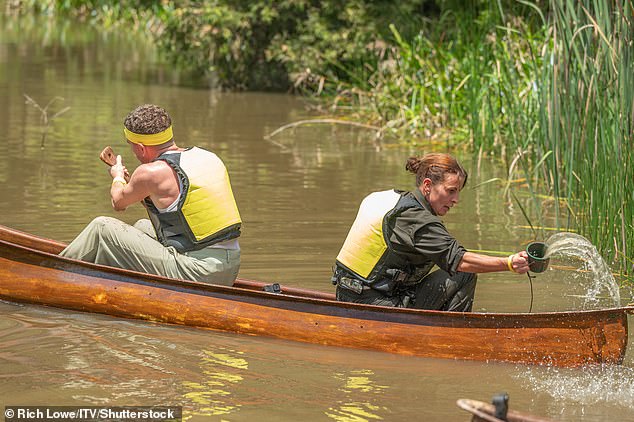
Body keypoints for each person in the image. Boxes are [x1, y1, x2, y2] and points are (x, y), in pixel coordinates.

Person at [60, 104, 242, 285]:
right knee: (142, 226)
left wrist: (117, 178)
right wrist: (136, 186)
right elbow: (177, 207)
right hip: (229, 266)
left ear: (140, 147)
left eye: (131, 146)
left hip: (199, 272)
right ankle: (104, 283)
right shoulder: (207, 157)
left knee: (102, 228)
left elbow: (118, 202)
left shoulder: (150, 172)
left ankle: (54, 275)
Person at [331, 153, 529, 311]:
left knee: (460, 274)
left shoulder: (389, 199)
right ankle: (453, 338)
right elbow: (461, 261)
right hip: (372, 304)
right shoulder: (415, 219)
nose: (456, 199)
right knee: (465, 274)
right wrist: (509, 263)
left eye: (458, 191)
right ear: (427, 185)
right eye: (451, 190)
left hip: (347, 294)